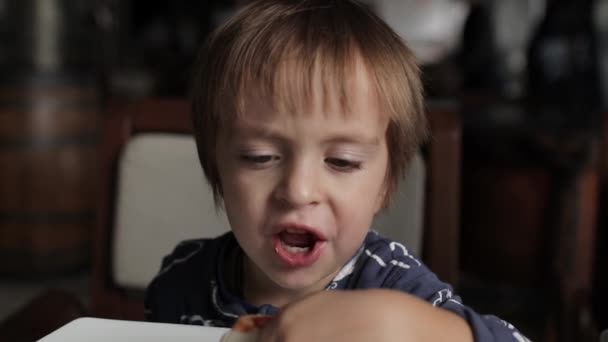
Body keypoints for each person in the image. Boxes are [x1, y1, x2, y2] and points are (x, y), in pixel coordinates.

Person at [145, 1, 529, 341]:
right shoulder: (181, 280)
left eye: (342, 161)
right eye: (259, 156)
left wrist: (420, 329)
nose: (298, 190)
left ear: (385, 184)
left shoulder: (396, 287)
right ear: (217, 169)